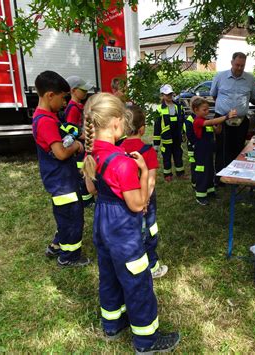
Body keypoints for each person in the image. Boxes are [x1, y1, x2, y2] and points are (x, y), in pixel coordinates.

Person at [82, 93, 180, 353]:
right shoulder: (123, 164)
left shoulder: (92, 154)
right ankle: (147, 340)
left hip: (102, 222)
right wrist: (145, 172)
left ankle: (112, 324)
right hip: (122, 228)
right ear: (115, 122)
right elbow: (138, 204)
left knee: (110, 275)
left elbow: (91, 188)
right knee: (138, 281)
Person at [32, 70, 90, 267]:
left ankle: (57, 245)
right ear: (50, 95)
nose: (65, 103)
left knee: (64, 214)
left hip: (60, 179)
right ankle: (69, 257)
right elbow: (61, 153)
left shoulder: (47, 116)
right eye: (63, 98)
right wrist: (77, 146)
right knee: (72, 218)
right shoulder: (46, 121)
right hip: (61, 181)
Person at [120, 105, 168, 279]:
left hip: (126, 198)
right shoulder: (148, 151)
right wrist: (146, 201)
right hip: (145, 200)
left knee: (131, 231)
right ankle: (152, 266)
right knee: (149, 231)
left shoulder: (118, 149)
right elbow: (151, 181)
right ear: (142, 129)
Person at [211, 52, 255, 182]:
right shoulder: (220, 76)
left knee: (238, 148)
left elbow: (252, 97)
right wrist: (225, 111)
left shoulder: (250, 79)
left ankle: (234, 176)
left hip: (241, 121)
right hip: (222, 119)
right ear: (232, 62)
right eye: (237, 65)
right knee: (222, 148)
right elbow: (214, 95)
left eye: (242, 65)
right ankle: (219, 177)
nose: (239, 68)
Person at [191, 97, 236, 205]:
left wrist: (220, 123)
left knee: (210, 171)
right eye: (204, 110)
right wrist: (225, 117)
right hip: (201, 152)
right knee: (202, 173)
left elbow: (217, 131)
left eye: (208, 109)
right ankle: (200, 195)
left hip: (208, 151)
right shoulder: (198, 121)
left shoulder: (207, 122)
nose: (207, 112)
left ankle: (210, 192)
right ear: (196, 110)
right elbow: (211, 121)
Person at [65, 75, 95, 207]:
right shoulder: (72, 108)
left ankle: (87, 198)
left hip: (84, 143)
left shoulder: (78, 106)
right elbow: (71, 129)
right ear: (73, 91)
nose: (85, 92)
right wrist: (87, 136)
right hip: (79, 146)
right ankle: (86, 200)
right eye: (82, 90)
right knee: (82, 173)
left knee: (85, 171)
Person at [153, 84, 185, 182]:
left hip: (177, 137)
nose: (169, 96)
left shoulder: (179, 107)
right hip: (166, 138)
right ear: (162, 95)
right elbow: (157, 128)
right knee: (166, 157)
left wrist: (184, 134)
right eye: (167, 94)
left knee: (178, 154)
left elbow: (183, 122)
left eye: (171, 94)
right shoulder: (159, 109)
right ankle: (167, 174)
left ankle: (180, 173)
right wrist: (156, 145)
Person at [183, 111, 197, 189]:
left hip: (198, 147)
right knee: (194, 165)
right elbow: (189, 135)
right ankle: (194, 183)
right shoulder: (189, 120)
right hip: (193, 147)